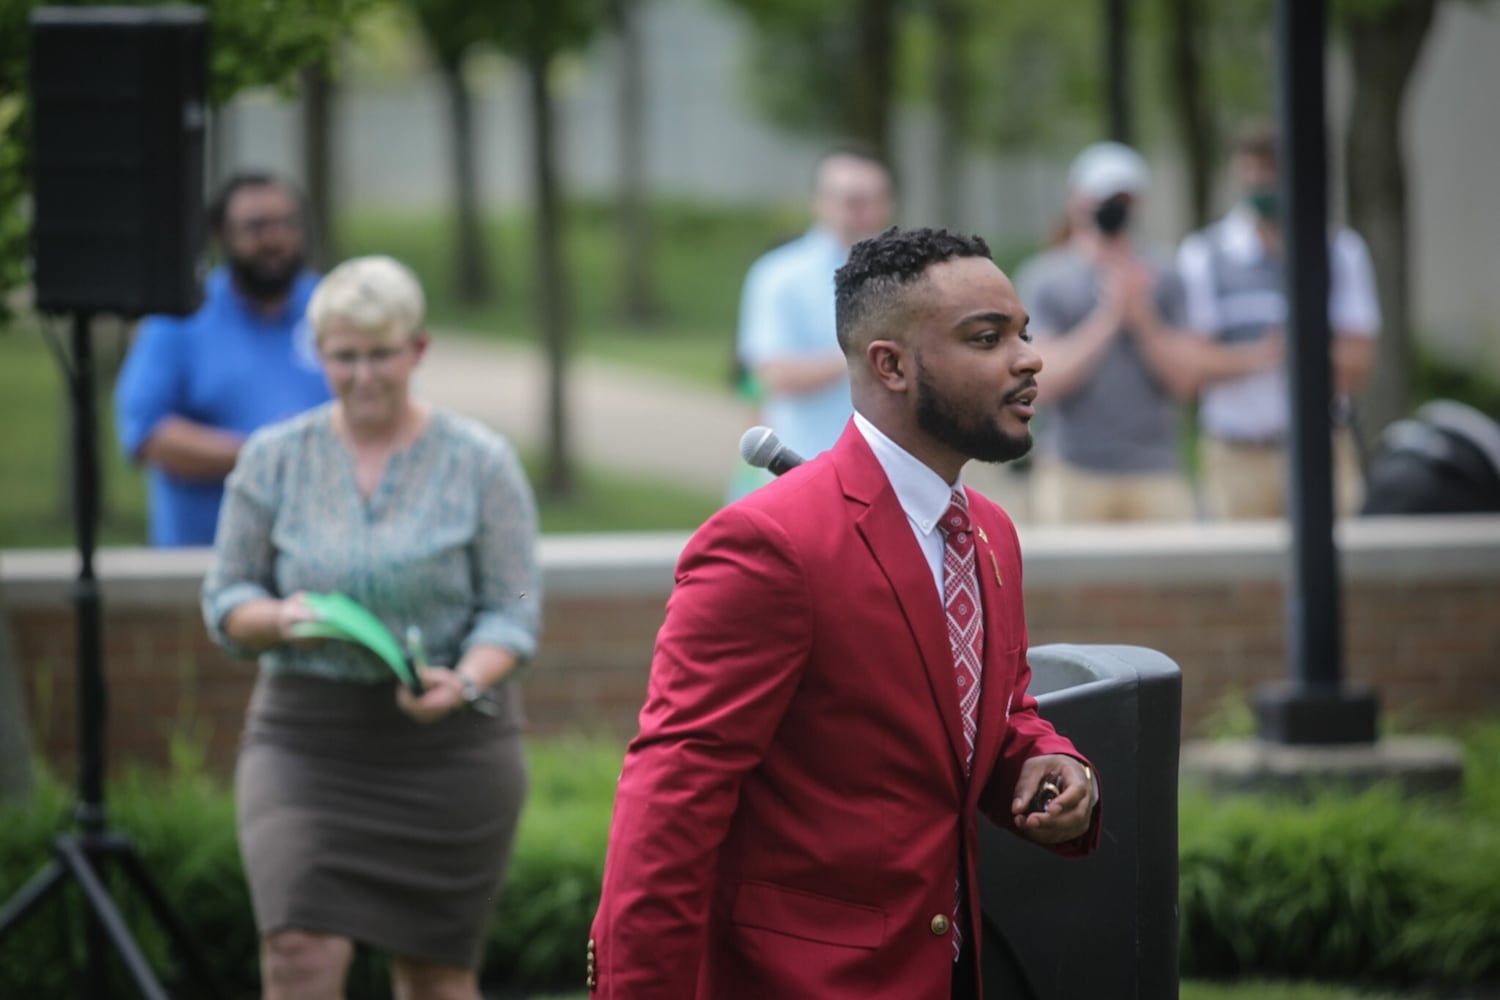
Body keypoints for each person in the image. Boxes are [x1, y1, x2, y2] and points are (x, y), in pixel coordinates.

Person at [588, 227, 1101, 999]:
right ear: (889, 364)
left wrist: (1045, 759)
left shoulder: (989, 533)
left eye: (1023, 334)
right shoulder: (771, 542)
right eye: (987, 338)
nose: (1028, 358)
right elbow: (672, 797)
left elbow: (988, 715)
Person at [200, 255, 541, 1000]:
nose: (363, 375)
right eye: (343, 356)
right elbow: (226, 596)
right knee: (298, 951)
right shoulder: (273, 458)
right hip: (305, 741)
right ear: (318, 354)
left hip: (449, 745)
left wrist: (467, 678)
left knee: (434, 976)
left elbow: (514, 608)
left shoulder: (481, 463)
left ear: (417, 349)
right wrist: (282, 620)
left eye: (381, 354)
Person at [1018, 141, 1277, 524]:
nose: (1114, 209)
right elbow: (1045, 382)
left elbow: (1186, 381)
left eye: (1123, 198)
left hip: (1156, 470)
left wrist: (1143, 320)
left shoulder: (1167, 275)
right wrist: (1110, 317)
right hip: (1072, 471)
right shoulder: (1045, 278)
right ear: (1077, 200)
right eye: (1105, 197)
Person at [1177, 119, 1380, 519]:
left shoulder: (1340, 252)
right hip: (1237, 455)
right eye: (1249, 169)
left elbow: (1358, 365)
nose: (1258, 183)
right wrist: (1269, 354)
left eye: (1268, 170)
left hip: (1322, 449)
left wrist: (1291, 352)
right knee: (1245, 579)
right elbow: (1189, 368)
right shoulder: (1203, 254)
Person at [115, 171, 332, 546]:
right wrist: (266, 455)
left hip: (321, 555)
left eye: (286, 224)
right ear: (221, 234)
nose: (274, 239)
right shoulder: (179, 316)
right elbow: (147, 434)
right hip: (205, 559)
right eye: (256, 226)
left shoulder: (331, 307)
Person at [727, 145, 895, 499]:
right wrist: (872, 355)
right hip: (800, 471)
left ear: (886, 204)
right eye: (847, 199)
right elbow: (765, 377)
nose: (857, 211)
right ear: (819, 202)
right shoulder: (780, 275)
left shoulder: (907, 277)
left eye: (868, 199)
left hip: (890, 476)